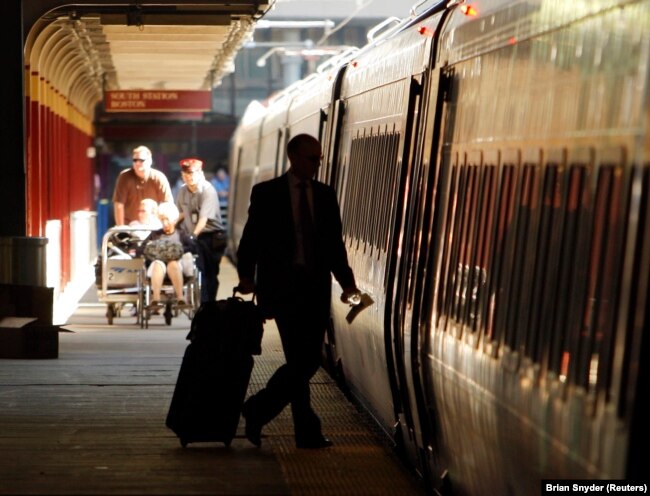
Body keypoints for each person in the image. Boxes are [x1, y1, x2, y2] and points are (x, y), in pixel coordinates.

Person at [236, 134, 359, 449]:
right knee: (301, 360)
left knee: (304, 362)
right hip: (281, 290)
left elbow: (334, 246)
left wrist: (348, 284)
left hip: (315, 290)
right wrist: (246, 276)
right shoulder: (266, 194)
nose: (316, 164)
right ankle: (303, 430)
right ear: (293, 157)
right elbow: (251, 239)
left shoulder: (325, 195)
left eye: (318, 158)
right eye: (310, 158)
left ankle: (262, 411)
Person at [175, 157, 226, 303]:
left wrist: (194, 236)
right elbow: (180, 214)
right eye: (186, 174)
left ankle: (208, 303)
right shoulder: (182, 191)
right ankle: (202, 304)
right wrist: (168, 226)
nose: (189, 177)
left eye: (192, 173)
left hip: (211, 237)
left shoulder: (208, 190)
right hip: (193, 237)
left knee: (210, 273)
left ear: (200, 173)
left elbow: (203, 219)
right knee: (199, 270)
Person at [138, 202, 196, 310]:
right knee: (158, 264)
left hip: (177, 268)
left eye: (167, 219)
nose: (164, 223)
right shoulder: (155, 235)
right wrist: (152, 251)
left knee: (172, 264)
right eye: (162, 219)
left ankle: (180, 298)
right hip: (157, 267)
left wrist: (179, 251)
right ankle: (156, 299)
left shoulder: (181, 234)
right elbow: (141, 249)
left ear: (174, 220)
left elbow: (193, 248)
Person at [112, 145, 173, 226]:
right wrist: (121, 229)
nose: (137, 163)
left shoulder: (159, 177)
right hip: (129, 227)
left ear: (150, 161)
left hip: (153, 227)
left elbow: (167, 204)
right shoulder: (124, 177)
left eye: (141, 160)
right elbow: (119, 205)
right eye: (135, 160)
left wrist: (165, 227)